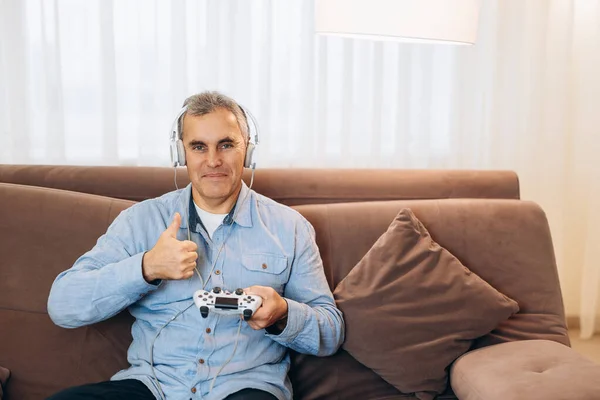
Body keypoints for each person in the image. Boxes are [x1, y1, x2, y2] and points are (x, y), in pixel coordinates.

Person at [46, 91, 345, 400]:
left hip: (245, 388)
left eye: (226, 145)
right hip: (153, 387)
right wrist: (146, 268)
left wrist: (282, 313)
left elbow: (330, 332)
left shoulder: (290, 228)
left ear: (248, 152)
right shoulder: (140, 221)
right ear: (181, 153)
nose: (213, 160)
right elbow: (63, 305)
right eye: (198, 146)